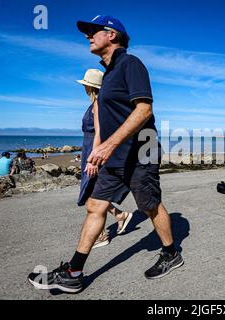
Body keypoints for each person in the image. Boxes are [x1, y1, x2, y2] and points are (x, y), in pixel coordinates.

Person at [28, 15, 183, 294]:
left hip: (140, 152)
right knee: (95, 207)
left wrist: (108, 145)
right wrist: (98, 148)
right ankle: (74, 272)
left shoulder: (130, 63)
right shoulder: (109, 73)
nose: (88, 36)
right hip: (113, 155)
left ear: (111, 34)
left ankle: (171, 254)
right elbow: (104, 118)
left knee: (149, 205)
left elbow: (144, 110)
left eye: (93, 31)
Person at [76, 68, 133, 249]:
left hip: (94, 151)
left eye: (85, 85)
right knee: (92, 192)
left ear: (90, 87)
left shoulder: (99, 104)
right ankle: (119, 216)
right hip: (90, 150)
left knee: (91, 193)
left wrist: (93, 160)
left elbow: (101, 133)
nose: (83, 88)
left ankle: (101, 234)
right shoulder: (95, 103)